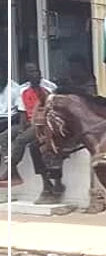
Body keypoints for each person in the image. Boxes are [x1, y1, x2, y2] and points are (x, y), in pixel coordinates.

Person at [0, 62, 63, 204]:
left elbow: (53, 109)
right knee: (5, 136)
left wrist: (29, 128)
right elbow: (22, 113)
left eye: (36, 71)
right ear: (26, 75)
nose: (34, 74)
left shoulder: (49, 87)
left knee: (22, 140)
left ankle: (10, 168)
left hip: (45, 122)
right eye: (30, 72)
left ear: (40, 72)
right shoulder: (23, 90)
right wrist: (22, 127)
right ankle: (13, 170)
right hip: (29, 122)